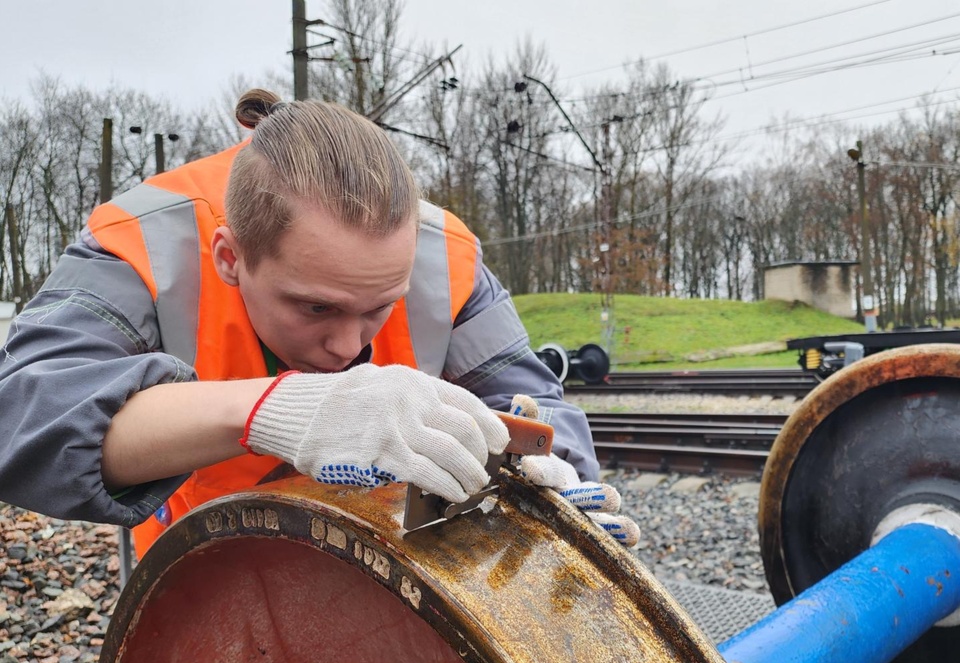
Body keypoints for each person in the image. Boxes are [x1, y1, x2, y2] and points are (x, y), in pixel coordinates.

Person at [0, 89, 639, 559]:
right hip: (190, 573)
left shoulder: (445, 256)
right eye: (315, 307)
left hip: (389, 570)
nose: (346, 346)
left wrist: (556, 483)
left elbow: (527, 405)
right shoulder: (144, 242)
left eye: (378, 306)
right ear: (230, 256)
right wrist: (287, 409)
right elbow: (21, 419)